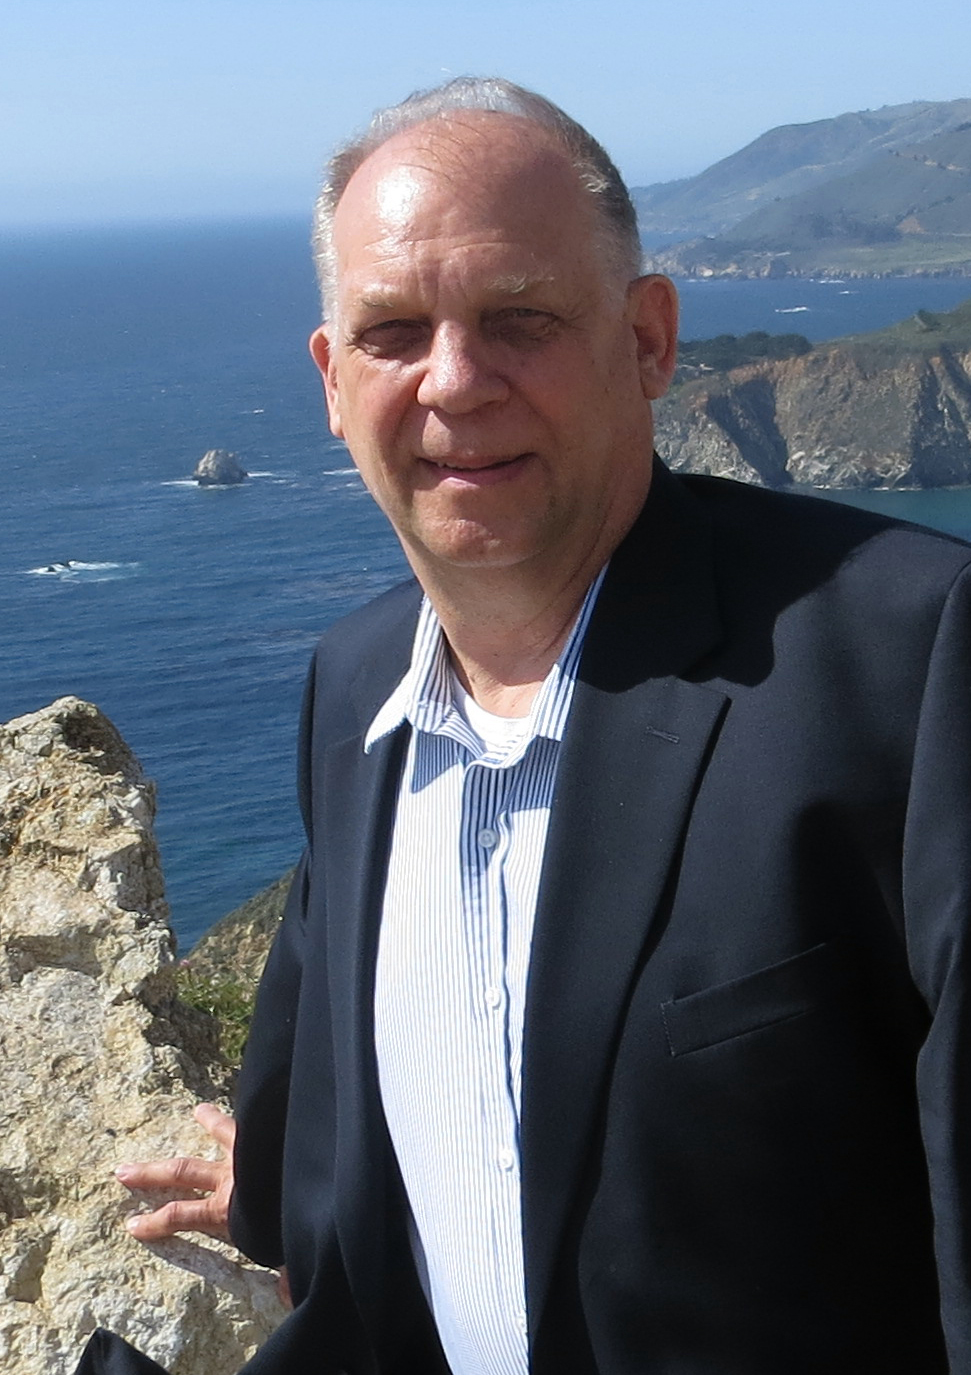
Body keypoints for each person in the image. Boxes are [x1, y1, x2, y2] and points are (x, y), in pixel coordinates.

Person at [81, 78, 971, 1374]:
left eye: (520, 319)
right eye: (393, 331)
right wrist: (273, 1184)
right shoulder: (354, 685)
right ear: (333, 381)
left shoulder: (913, 658)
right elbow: (327, 1043)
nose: (454, 382)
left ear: (649, 340)